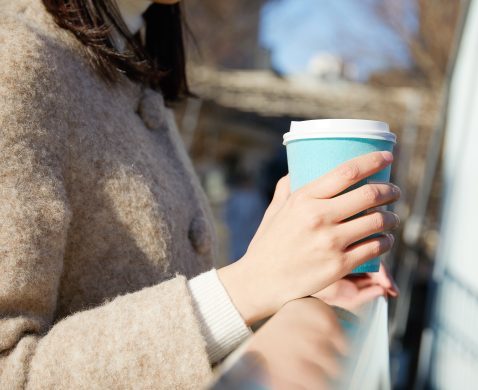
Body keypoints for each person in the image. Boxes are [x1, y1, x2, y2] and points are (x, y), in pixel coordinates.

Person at [0, 0, 401, 388]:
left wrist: (301, 278)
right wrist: (252, 283)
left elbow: (182, 313)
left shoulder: (130, 76)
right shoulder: (16, 60)